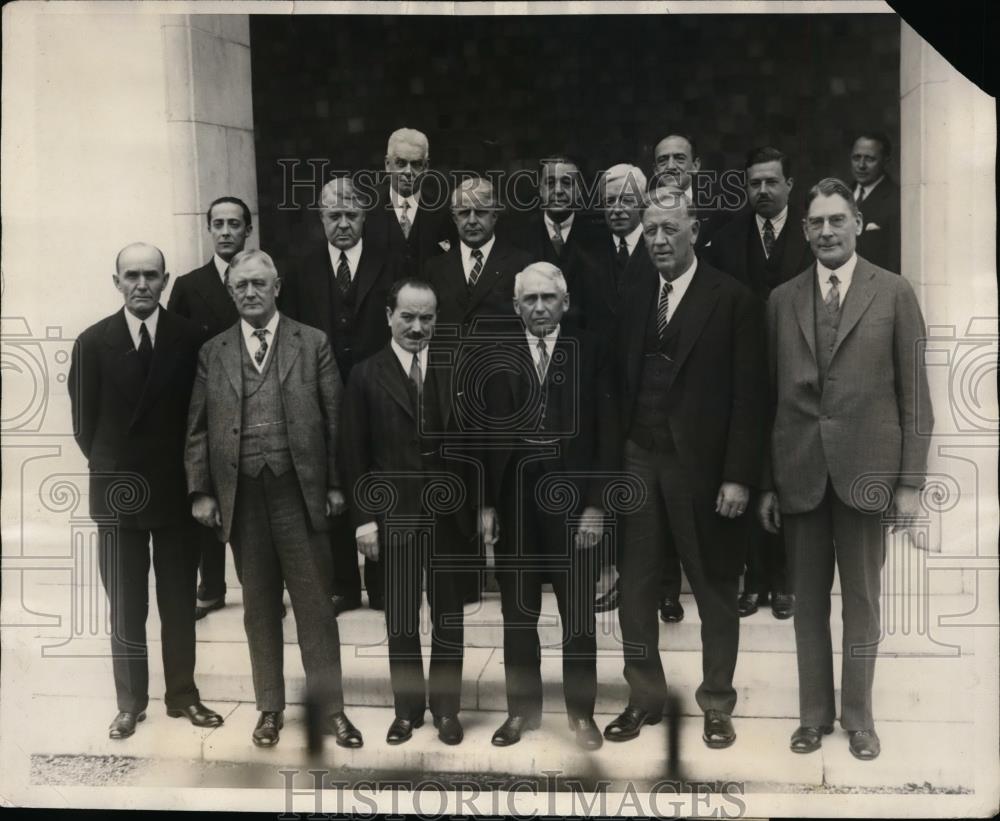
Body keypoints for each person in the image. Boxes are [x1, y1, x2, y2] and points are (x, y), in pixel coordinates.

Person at [759, 177, 932, 761]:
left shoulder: (895, 293)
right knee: (807, 602)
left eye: (838, 220)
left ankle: (859, 716)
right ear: (804, 230)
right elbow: (767, 398)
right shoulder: (782, 300)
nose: (827, 231)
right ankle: (813, 716)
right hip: (800, 472)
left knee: (862, 600)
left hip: (867, 474)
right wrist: (766, 482)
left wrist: (909, 482)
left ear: (858, 223)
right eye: (817, 223)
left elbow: (915, 396)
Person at [605, 189, 766, 750]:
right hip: (638, 457)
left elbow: (750, 396)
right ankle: (644, 698)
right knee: (636, 586)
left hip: (701, 468)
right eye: (650, 230)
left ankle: (717, 704)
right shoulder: (632, 292)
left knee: (715, 586)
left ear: (695, 230)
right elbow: (615, 382)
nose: (658, 240)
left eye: (670, 229)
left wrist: (738, 476)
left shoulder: (733, 299)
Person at [185, 249, 362, 749]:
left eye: (259, 283)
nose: (249, 293)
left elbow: (335, 421)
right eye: (240, 286)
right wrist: (201, 490)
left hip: (299, 492)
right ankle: (269, 710)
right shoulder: (214, 351)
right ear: (230, 291)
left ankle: (333, 712)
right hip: (242, 497)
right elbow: (197, 429)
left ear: (277, 285)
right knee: (258, 608)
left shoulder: (313, 343)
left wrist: (333, 485)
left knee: (314, 608)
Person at [69, 242, 223, 739]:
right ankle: (130, 702)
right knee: (126, 604)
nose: (141, 284)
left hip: (176, 490)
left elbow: (202, 417)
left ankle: (182, 696)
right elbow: (83, 423)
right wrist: (117, 471)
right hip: (118, 493)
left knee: (179, 601)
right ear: (116, 281)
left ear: (164, 280)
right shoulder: (93, 342)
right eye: (131, 275)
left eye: (151, 275)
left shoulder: (190, 336)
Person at [481, 262, 616, 751]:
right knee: (518, 613)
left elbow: (607, 432)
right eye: (530, 299)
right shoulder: (495, 354)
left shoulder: (592, 349)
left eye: (548, 298)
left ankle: (581, 716)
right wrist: (486, 505)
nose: (540, 307)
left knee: (578, 614)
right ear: (516, 307)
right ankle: (522, 712)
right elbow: (482, 435)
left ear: (566, 302)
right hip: (515, 503)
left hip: (574, 505)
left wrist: (598, 505)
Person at [339, 279, 473, 747]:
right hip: (392, 516)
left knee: (449, 616)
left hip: (449, 518)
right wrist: (363, 519)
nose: (418, 327)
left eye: (428, 318)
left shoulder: (457, 366)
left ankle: (448, 710)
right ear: (389, 316)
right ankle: (406, 710)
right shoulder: (364, 374)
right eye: (408, 317)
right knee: (399, 617)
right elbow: (354, 455)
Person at [280, 176, 401, 616]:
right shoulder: (300, 268)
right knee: (329, 480)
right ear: (322, 218)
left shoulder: (389, 262)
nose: (344, 223)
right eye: (335, 216)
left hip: (378, 389)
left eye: (352, 215)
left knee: (376, 477)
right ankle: (341, 586)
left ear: (364, 217)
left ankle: (384, 582)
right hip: (319, 391)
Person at [704, 147, 813, 620]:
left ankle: (785, 579)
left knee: (789, 468)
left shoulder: (813, 235)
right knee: (746, 464)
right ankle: (753, 577)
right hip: (743, 372)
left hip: (799, 369)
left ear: (789, 184)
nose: (763, 191)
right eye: (754, 184)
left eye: (772, 182)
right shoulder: (728, 241)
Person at [577, 164, 676, 618]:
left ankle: (666, 587)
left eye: (626, 200)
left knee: (658, 487)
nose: (617, 209)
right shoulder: (586, 252)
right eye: (610, 201)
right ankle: (610, 573)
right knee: (608, 474)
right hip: (602, 385)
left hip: (650, 389)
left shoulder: (661, 252)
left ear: (642, 205)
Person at [167, 196, 248, 620]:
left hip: (253, 402)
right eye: (218, 223)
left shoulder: (260, 276)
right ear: (209, 229)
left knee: (252, 500)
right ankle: (212, 586)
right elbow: (177, 347)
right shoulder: (188, 284)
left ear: (247, 231)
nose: (225, 231)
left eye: (234, 224)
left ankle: (262, 588)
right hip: (208, 403)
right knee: (208, 497)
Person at [424, 177, 532, 335]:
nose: (472, 221)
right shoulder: (434, 268)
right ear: (454, 218)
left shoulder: (521, 264)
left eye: (480, 212)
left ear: (494, 216)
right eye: (464, 213)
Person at [505, 155, 603, 325]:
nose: (558, 190)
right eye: (550, 183)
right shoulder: (518, 239)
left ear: (579, 190)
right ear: (541, 190)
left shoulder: (600, 238)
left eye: (566, 183)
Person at [363, 127, 456, 279]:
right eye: (400, 163)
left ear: (426, 167)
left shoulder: (442, 214)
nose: (408, 172)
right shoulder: (367, 213)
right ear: (387, 164)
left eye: (416, 164)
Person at [650, 133, 730, 250]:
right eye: (663, 160)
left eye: (679, 158)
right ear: (656, 170)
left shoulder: (718, 210)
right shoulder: (645, 210)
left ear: (695, 166)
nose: (671, 166)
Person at [849, 132, 900, 274]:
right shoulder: (841, 195)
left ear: (886, 161)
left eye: (870, 159)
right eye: (856, 157)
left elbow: (894, 262)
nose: (861, 165)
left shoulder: (897, 200)